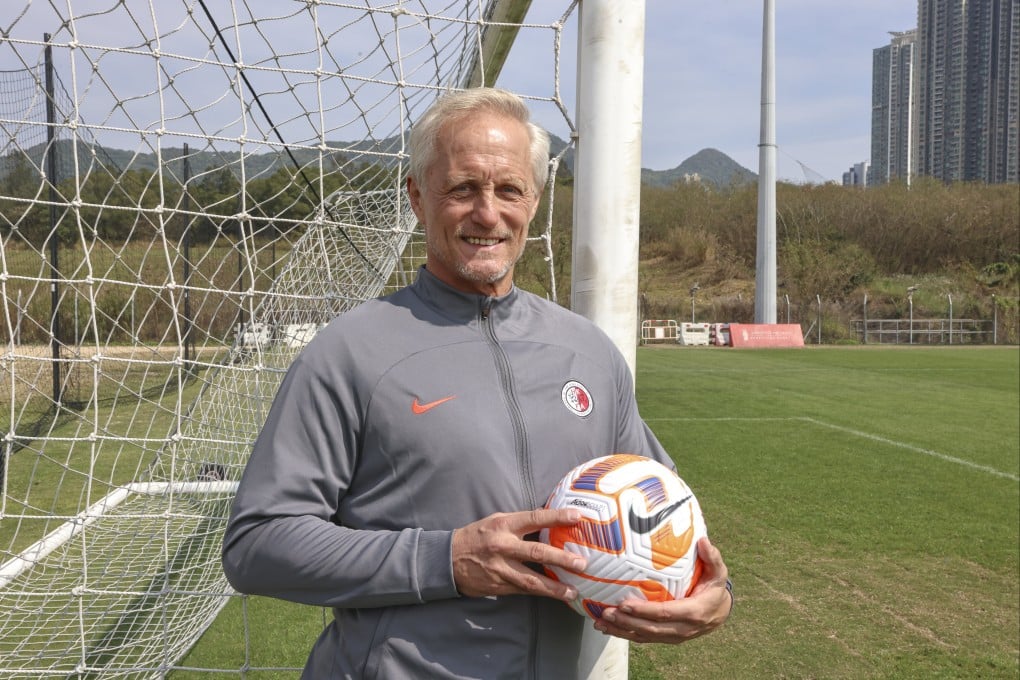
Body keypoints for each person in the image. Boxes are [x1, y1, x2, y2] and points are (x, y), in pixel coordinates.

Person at [221, 87, 732, 679]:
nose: (488, 214)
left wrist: (712, 592)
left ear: (534, 200)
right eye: (462, 188)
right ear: (416, 196)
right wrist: (446, 560)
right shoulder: (350, 351)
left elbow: (665, 509)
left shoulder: (589, 353)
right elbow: (257, 545)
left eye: (509, 189)